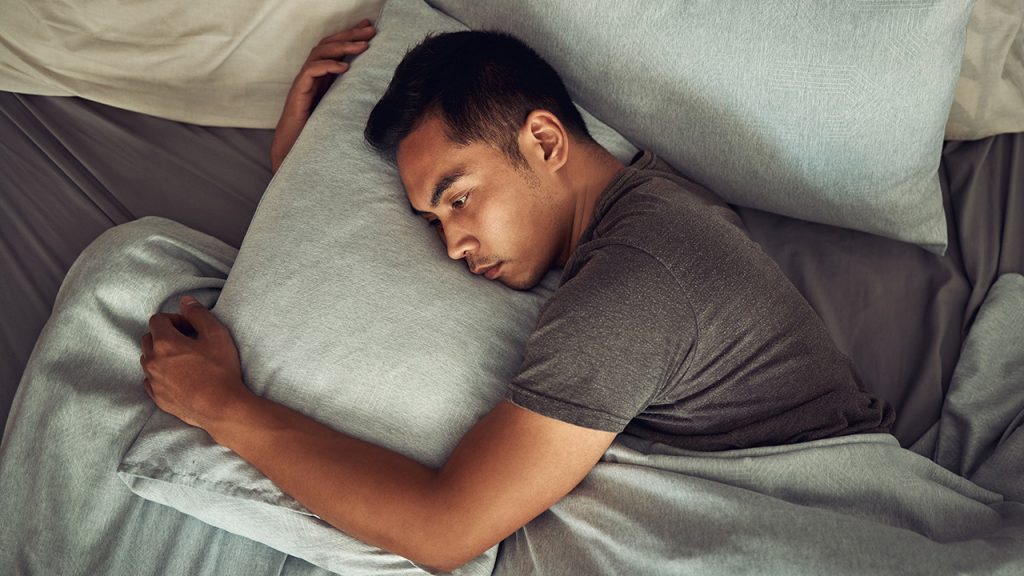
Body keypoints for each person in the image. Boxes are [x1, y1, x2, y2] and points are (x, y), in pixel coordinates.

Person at [140, 20, 894, 572]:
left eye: (459, 198)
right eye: (432, 220)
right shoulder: (649, 197)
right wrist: (302, 173)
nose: (452, 245)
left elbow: (444, 530)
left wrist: (222, 407)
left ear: (543, 140)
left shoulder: (631, 287)